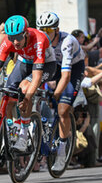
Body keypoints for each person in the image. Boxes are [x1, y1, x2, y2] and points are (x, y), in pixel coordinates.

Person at [0, 15, 57, 152]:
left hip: (46, 65)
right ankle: (12, 130)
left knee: (25, 88)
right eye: (11, 37)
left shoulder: (39, 39)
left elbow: (37, 75)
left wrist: (27, 99)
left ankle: (24, 136)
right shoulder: (7, 41)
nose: (15, 41)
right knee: (7, 93)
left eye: (18, 37)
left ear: (26, 33)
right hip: (24, 61)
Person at [36, 11, 86, 170]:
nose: (45, 34)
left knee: (63, 109)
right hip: (55, 66)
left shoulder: (67, 42)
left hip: (73, 69)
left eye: (49, 30)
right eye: (42, 30)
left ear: (57, 30)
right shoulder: (41, 41)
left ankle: (62, 153)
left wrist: (56, 94)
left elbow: (65, 76)